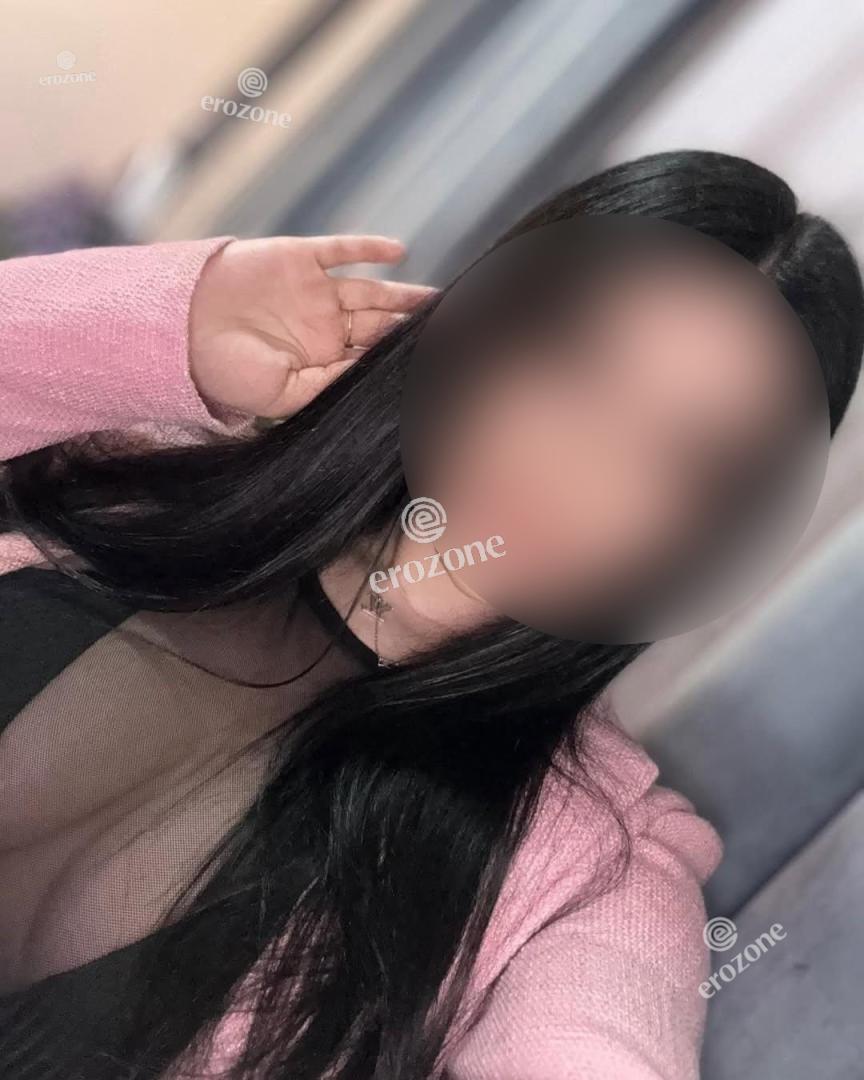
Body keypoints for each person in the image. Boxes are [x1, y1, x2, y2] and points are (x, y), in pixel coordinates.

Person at [0, 149, 861, 1080]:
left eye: (675, 455)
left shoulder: (595, 882)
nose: (582, 462)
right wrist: (168, 328)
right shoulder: (128, 471)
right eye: (580, 365)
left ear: (702, 532)